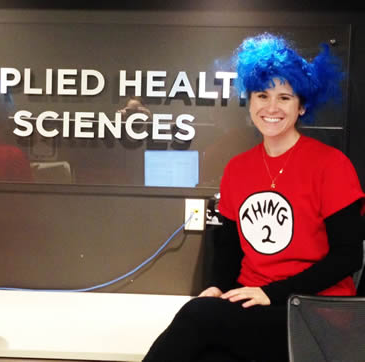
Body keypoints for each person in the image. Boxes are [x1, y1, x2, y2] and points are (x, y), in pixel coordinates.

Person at [143, 33, 364, 362]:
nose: (271, 107)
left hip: (314, 311)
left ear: (302, 106)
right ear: (250, 101)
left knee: (198, 317)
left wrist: (269, 293)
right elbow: (229, 247)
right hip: (251, 302)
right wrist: (218, 286)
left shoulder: (331, 165)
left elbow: (348, 258)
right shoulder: (237, 169)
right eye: (262, 95)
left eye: (284, 98)